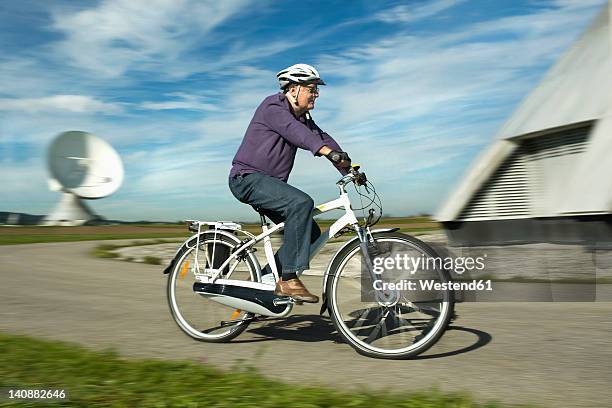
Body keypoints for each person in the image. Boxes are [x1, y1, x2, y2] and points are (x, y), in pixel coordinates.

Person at [228, 63, 351, 303]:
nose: (316, 94)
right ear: (294, 89)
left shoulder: (303, 118)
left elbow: (321, 137)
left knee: (312, 233)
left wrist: (346, 165)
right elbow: (296, 132)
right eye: (312, 89)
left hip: (269, 184)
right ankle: (288, 279)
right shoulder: (272, 106)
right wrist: (326, 152)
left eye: (316, 90)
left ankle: (266, 283)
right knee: (301, 203)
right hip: (247, 178)